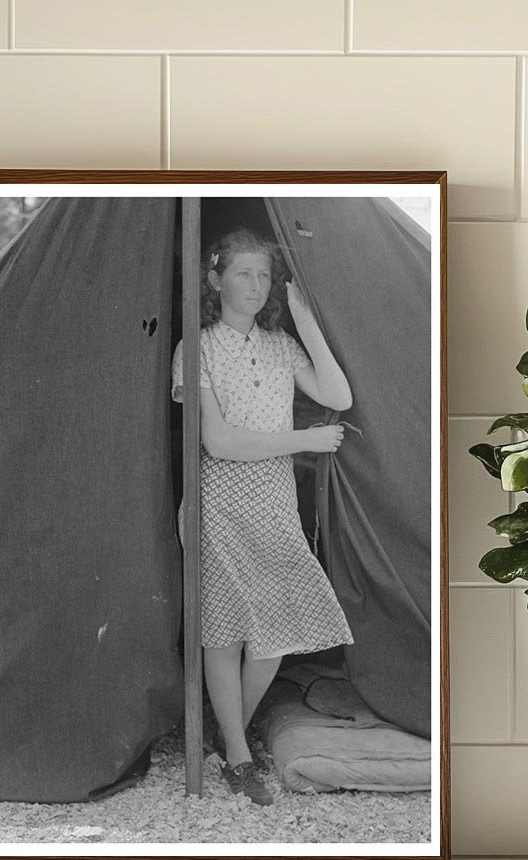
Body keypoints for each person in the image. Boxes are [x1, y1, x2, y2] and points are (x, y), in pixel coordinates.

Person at [170, 227, 355, 807]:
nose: (255, 285)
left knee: (272, 639)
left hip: (274, 502)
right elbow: (219, 442)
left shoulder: (281, 346)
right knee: (222, 633)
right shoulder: (195, 347)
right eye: (243, 273)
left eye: (264, 275)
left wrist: (303, 318)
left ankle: (224, 739)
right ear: (215, 278)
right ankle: (241, 755)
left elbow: (339, 395)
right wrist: (306, 437)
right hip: (218, 502)